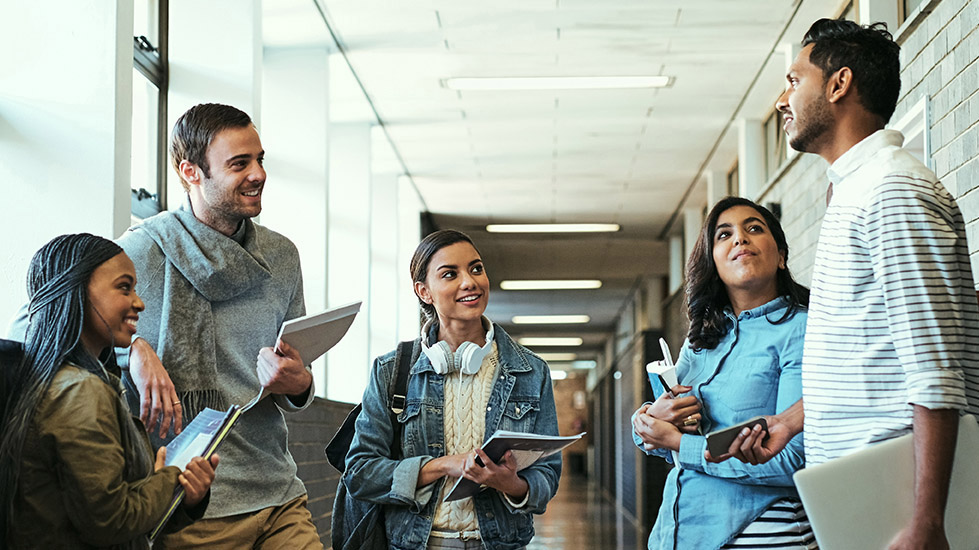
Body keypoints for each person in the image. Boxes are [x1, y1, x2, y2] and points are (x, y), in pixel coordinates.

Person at [722, 19, 979, 550]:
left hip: (899, 507)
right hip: (863, 500)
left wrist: (928, 522)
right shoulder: (854, 192)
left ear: (838, 85)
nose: (780, 100)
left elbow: (936, 371)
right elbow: (866, 353)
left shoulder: (892, 190)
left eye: (794, 80)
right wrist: (791, 422)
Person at [117, 103, 323, 548]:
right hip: (190, 500)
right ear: (191, 172)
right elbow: (69, 333)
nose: (258, 174)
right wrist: (133, 350)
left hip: (276, 491)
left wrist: (300, 382)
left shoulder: (282, 256)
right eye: (239, 164)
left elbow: (296, 376)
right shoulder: (137, 253)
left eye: (259, 160)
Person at [344, 229, 562, 550]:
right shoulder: (391, 371)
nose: (470, 282)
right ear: (424, 291)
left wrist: (512, 484)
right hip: (416, 543)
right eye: (450, 274)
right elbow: (360, 472)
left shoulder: (530, 371)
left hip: (499, 543)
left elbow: (547, 474)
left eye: (476, 269)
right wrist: (445, 465)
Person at [0, 233, 218, 549]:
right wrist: (170, 476)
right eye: (124, 287)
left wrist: (184, 496)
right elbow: (112, 521)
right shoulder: (79, 392)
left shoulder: (63, 380)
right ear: (78, 292)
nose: (139, 302)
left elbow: (104, 516)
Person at [632, 198, 814, 549]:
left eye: (754, 229)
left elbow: (793, 460)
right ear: (713, 262)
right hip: (677, 534)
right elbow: (659, 436)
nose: (740, 239)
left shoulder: (802, 331)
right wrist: (647, 421)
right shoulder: (702, 340)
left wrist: (680, 444)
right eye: (724, 234)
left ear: (780, 256)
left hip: (762, 536)